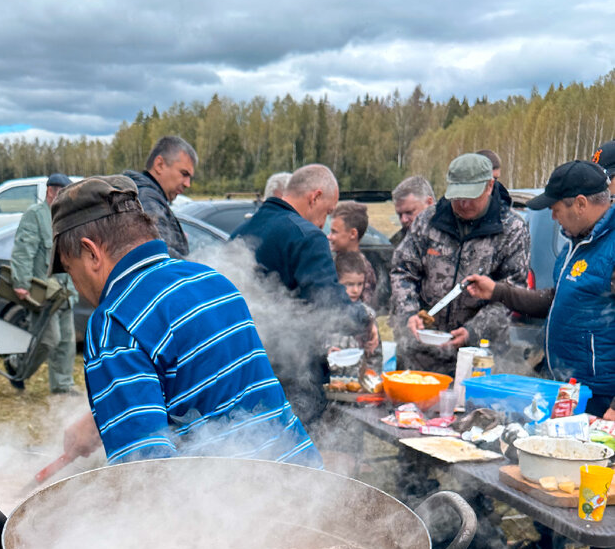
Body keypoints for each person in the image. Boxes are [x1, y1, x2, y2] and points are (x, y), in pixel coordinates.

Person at [48, 175, 321, 467]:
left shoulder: (115, 320)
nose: (75, 285)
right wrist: (102, 417)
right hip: (303, 482)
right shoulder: (212, 281)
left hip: (240, 505)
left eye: (69, 268)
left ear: (91, 253)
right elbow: (205, 390)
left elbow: (146, 471)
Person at [467, 160, 615, 419]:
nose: (553, 217)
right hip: (568, 390)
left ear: (580, 204)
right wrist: (497, 291)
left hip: (601, 399)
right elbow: (555, 299)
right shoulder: (576, 243)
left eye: (556, 209)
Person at [229, 163, 373, 423]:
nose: (323, 224)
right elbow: (330, 307)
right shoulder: (307, 237)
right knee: (292, 458)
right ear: (314, 196)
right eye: (327, 212)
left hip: (245, 372)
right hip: (292, 377)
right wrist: (364, 318)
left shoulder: (241, 233)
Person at [390, 152, 530, 372]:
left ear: (489, 186)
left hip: (478, 356)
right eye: (458, 197)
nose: (463, 204)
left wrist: (473, 331)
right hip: (421, 353)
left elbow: (512, 293)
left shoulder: (511, 230)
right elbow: (402, 270)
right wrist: (409, 313)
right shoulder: (428, 220)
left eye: (470, 197)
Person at [7, 172, 77, 394]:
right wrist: (21, 282)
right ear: (50, 191)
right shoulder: (35, 215)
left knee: (66, 341)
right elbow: (23, 250)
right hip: (43, 290)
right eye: (63, 193)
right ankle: (16, 366)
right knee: (49, 340)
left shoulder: (66, 217)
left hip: (65, 291)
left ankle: (62, 385)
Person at [124, 135, 196, 257]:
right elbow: (160, 255)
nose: (187, 184)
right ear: (159, 165)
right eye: (184, 174)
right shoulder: (146, 199)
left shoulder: (146, 197)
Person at [333, 251, 383, 375]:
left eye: (359, 284)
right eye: (349, 285)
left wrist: (371, 377)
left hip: (355, 383)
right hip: (329, 382)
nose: (355, 290)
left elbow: (375, 355)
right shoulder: (325, 313)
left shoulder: (366, 316)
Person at [327, 200, 378, 304]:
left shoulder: (362, 270)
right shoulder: (333, 261)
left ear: (353, 234)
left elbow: (364, 310)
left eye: (334, 232)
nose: (329, 236)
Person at [390, 176, 435, 248]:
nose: (403, 220)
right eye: (400, 215)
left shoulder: (453, 236)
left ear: (429, 203)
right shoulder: (396, 245)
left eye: (409, 212)